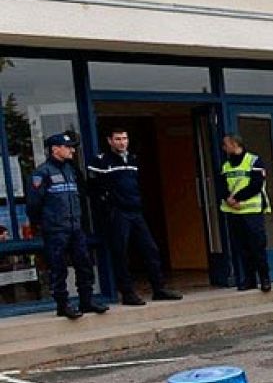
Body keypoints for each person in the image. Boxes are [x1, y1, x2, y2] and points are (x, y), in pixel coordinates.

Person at [87, 128, 182, 305]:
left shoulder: (133, 159)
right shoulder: (101, 161)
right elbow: (93, 190)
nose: (122, 142)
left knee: (151, 249)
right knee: (121, 253)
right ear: (109, 141)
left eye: (124, 138)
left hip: (135, 211)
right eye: (118, 139)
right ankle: (128, 293)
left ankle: (159, 289)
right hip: (117, 213)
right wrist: (108, 208)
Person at [26, 132, 107, 320]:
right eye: (68, 147)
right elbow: (34, 205)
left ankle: (86, 301)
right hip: (55, 229)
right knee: (58, 268)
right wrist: (43, 224)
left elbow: (81, 197)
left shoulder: (71, 171)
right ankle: (63, 305)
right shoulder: (41, 173)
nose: (72, 150)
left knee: (84, 264)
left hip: (75, 227)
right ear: (55, 149)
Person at [218, 133, 272, 292]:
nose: (223, 148)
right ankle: (249, 280)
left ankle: (265, 278)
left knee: (258, 246)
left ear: (235, 144)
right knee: (242, 247)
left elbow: (256, 184)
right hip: (233, 212)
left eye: (226, 144)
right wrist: (228, 198)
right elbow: (221, 185)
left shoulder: (254, 161)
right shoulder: (226, 165)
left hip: (252, 210)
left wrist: (236, 198)